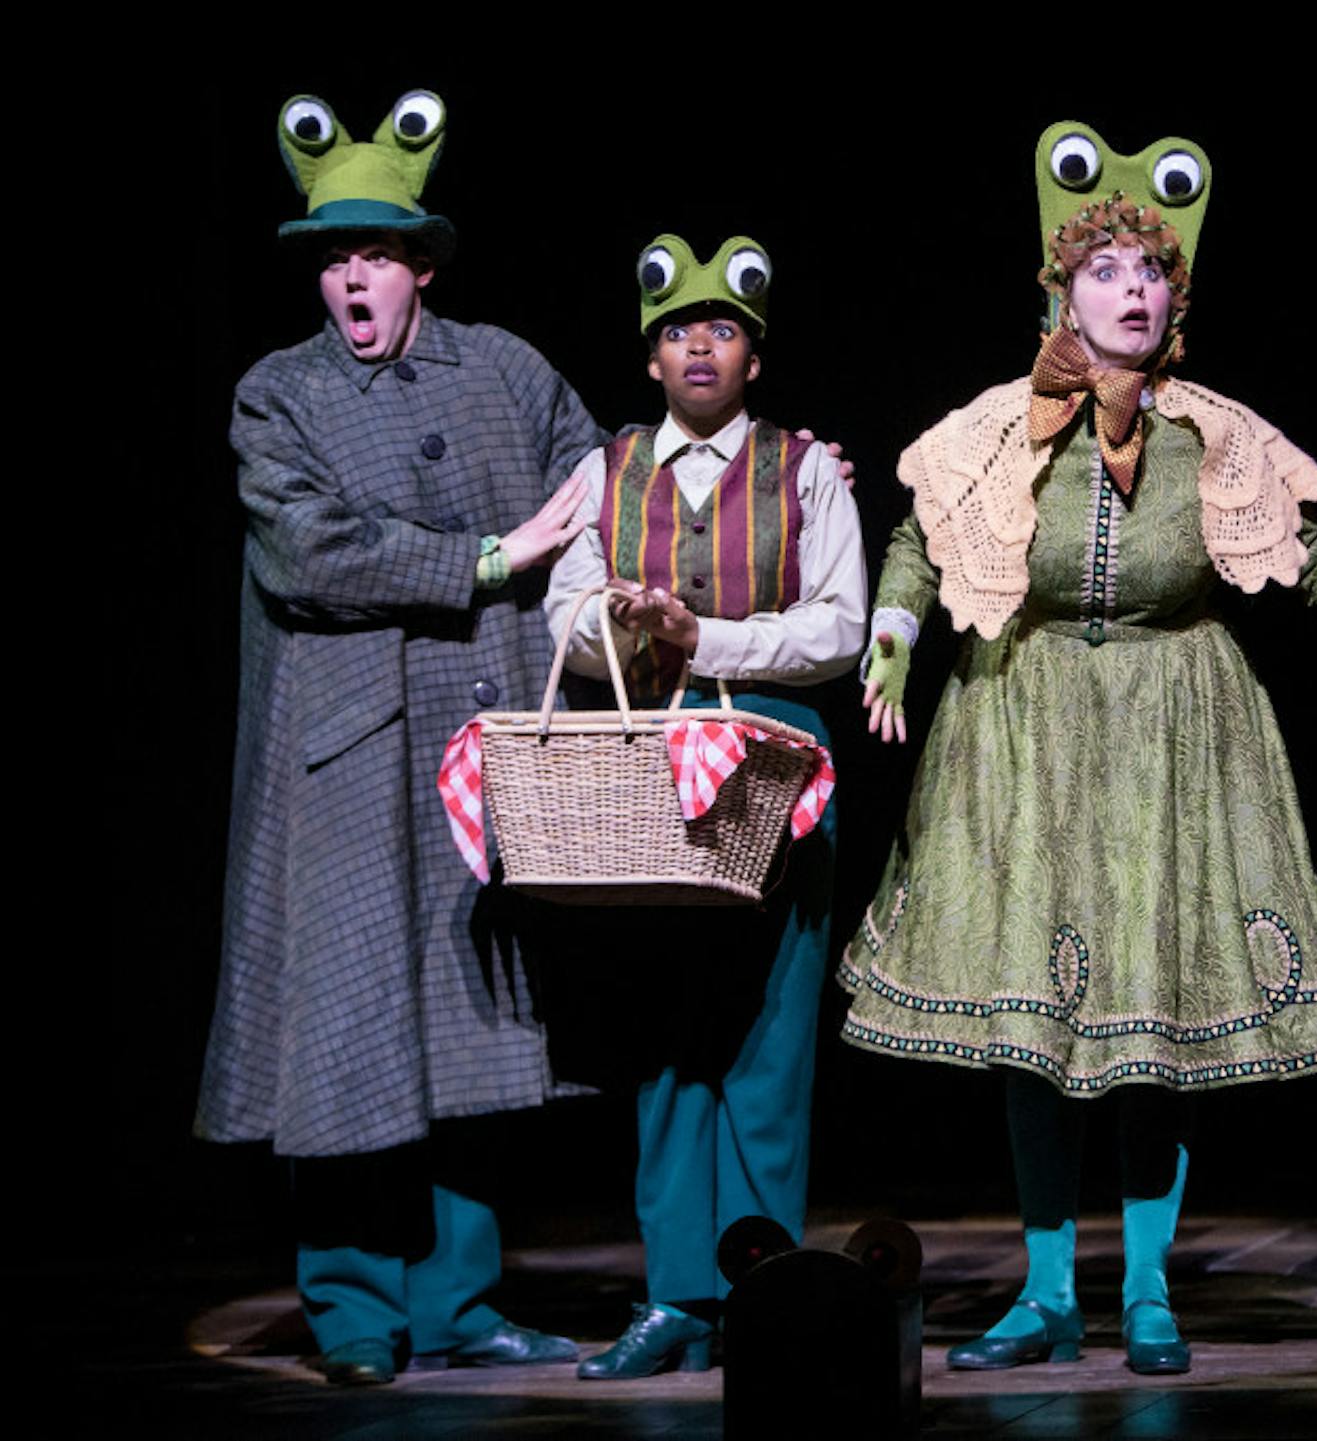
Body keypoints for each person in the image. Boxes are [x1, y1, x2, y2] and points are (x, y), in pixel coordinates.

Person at [837, 122, 1317, 1376]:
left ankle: (1144, 1289)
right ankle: (1043, 1293)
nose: (1133, 291)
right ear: (1060, 292)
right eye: (1107, 270)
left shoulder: (1209, 433)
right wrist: (896, 629)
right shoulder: (995, 426)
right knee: (1032, 1025)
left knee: (1150, 1023)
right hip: (1022, 731)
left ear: (1177, 298)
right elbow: (921, 534)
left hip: (1171, 734)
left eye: (1151, 272)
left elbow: (1306, 549)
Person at [193, 91, 605, 1386]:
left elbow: (600, 478)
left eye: (374, 253)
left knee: (476, 1029)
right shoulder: (280, 395)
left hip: (479, 736)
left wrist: (760, 482)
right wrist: (489, 556)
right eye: (334, 258)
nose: (351, 279)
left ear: (422, 265)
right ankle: (357, 1311)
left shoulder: (507, 370)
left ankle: (461, 1305)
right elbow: (312, 552)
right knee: (348, 1035)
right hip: (348, 756)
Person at [540, 233, 867, 1379]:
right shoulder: (609, 469)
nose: (698, 347)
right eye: (678, 330)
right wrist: (618, 624)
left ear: (752, 359)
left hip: (775, 762)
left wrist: (709, 636)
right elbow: (565, 608)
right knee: (666, 1034)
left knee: (770, 1037)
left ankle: (763, 1290)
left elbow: (841, 624)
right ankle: (678, 1294)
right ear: (651, 357)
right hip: (651, 764)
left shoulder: (806, 470)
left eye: (722, 330)